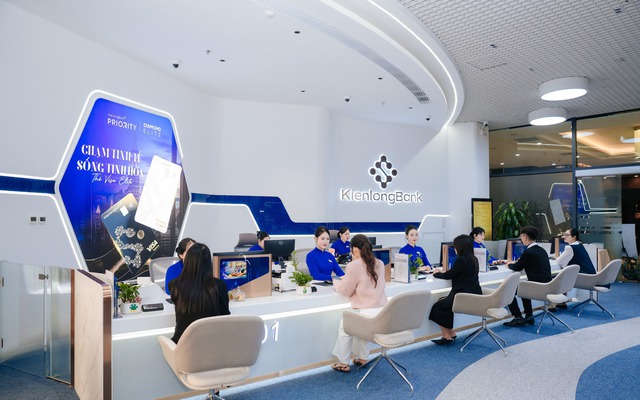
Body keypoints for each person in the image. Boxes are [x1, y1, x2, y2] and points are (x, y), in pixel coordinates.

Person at [331, 234, 387, 372]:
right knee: (360, 322)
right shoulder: (380, 263)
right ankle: (362, 358)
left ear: (355, 249)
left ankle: (343, 362)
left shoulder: (354, 265)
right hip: (383, 314)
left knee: (345, 325)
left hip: (367, 315)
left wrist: (335, 283)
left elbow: (345, 291)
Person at [169, 243, 230, 343]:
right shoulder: (219, 286)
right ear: (208, 263)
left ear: (187, 261)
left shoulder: (174, 285)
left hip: (182, 345)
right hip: (212, 344)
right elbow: (225, 315)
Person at [429, 234, 482, 345]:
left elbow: (449, 275)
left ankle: (446, 336)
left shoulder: (461, 260)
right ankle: (451, 333)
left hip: (462, 296)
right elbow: (456, 273)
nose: (454, 248)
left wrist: (436, 274)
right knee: (445, 305)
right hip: (473, 294)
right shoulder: (474, 259)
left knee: (437, 307)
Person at [503, 226, 552, 327]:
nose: (521, 239)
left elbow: (517, 267)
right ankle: (529, 316)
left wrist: (509, 264)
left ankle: (518, 317)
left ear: (525, 236)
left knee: (508, 291)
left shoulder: (528, 252)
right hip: (547, 284)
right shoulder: (541, 250)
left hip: (537, 285)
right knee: (523, 287)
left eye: (521, 237)